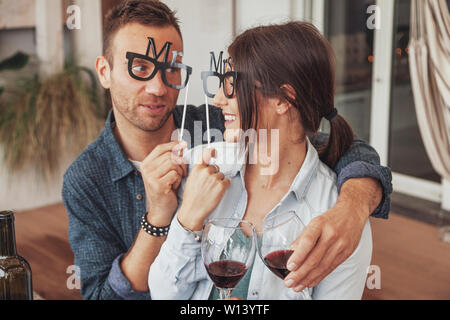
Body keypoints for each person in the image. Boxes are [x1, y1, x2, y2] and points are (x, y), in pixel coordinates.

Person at [62, 0, 391, 300]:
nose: (158, 87)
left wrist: (353, 206)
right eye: (141, 68)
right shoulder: (85, 179)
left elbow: (322, 140)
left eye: (171, 68)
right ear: (104, 71)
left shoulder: (217, 131)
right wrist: (162, 218)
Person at [148, 21, 376, 300]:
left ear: (283, 98)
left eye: (231, 85)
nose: (218, 99)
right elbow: (161, 294)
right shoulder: (202, 167)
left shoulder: (338, 221)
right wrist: (188, 219)